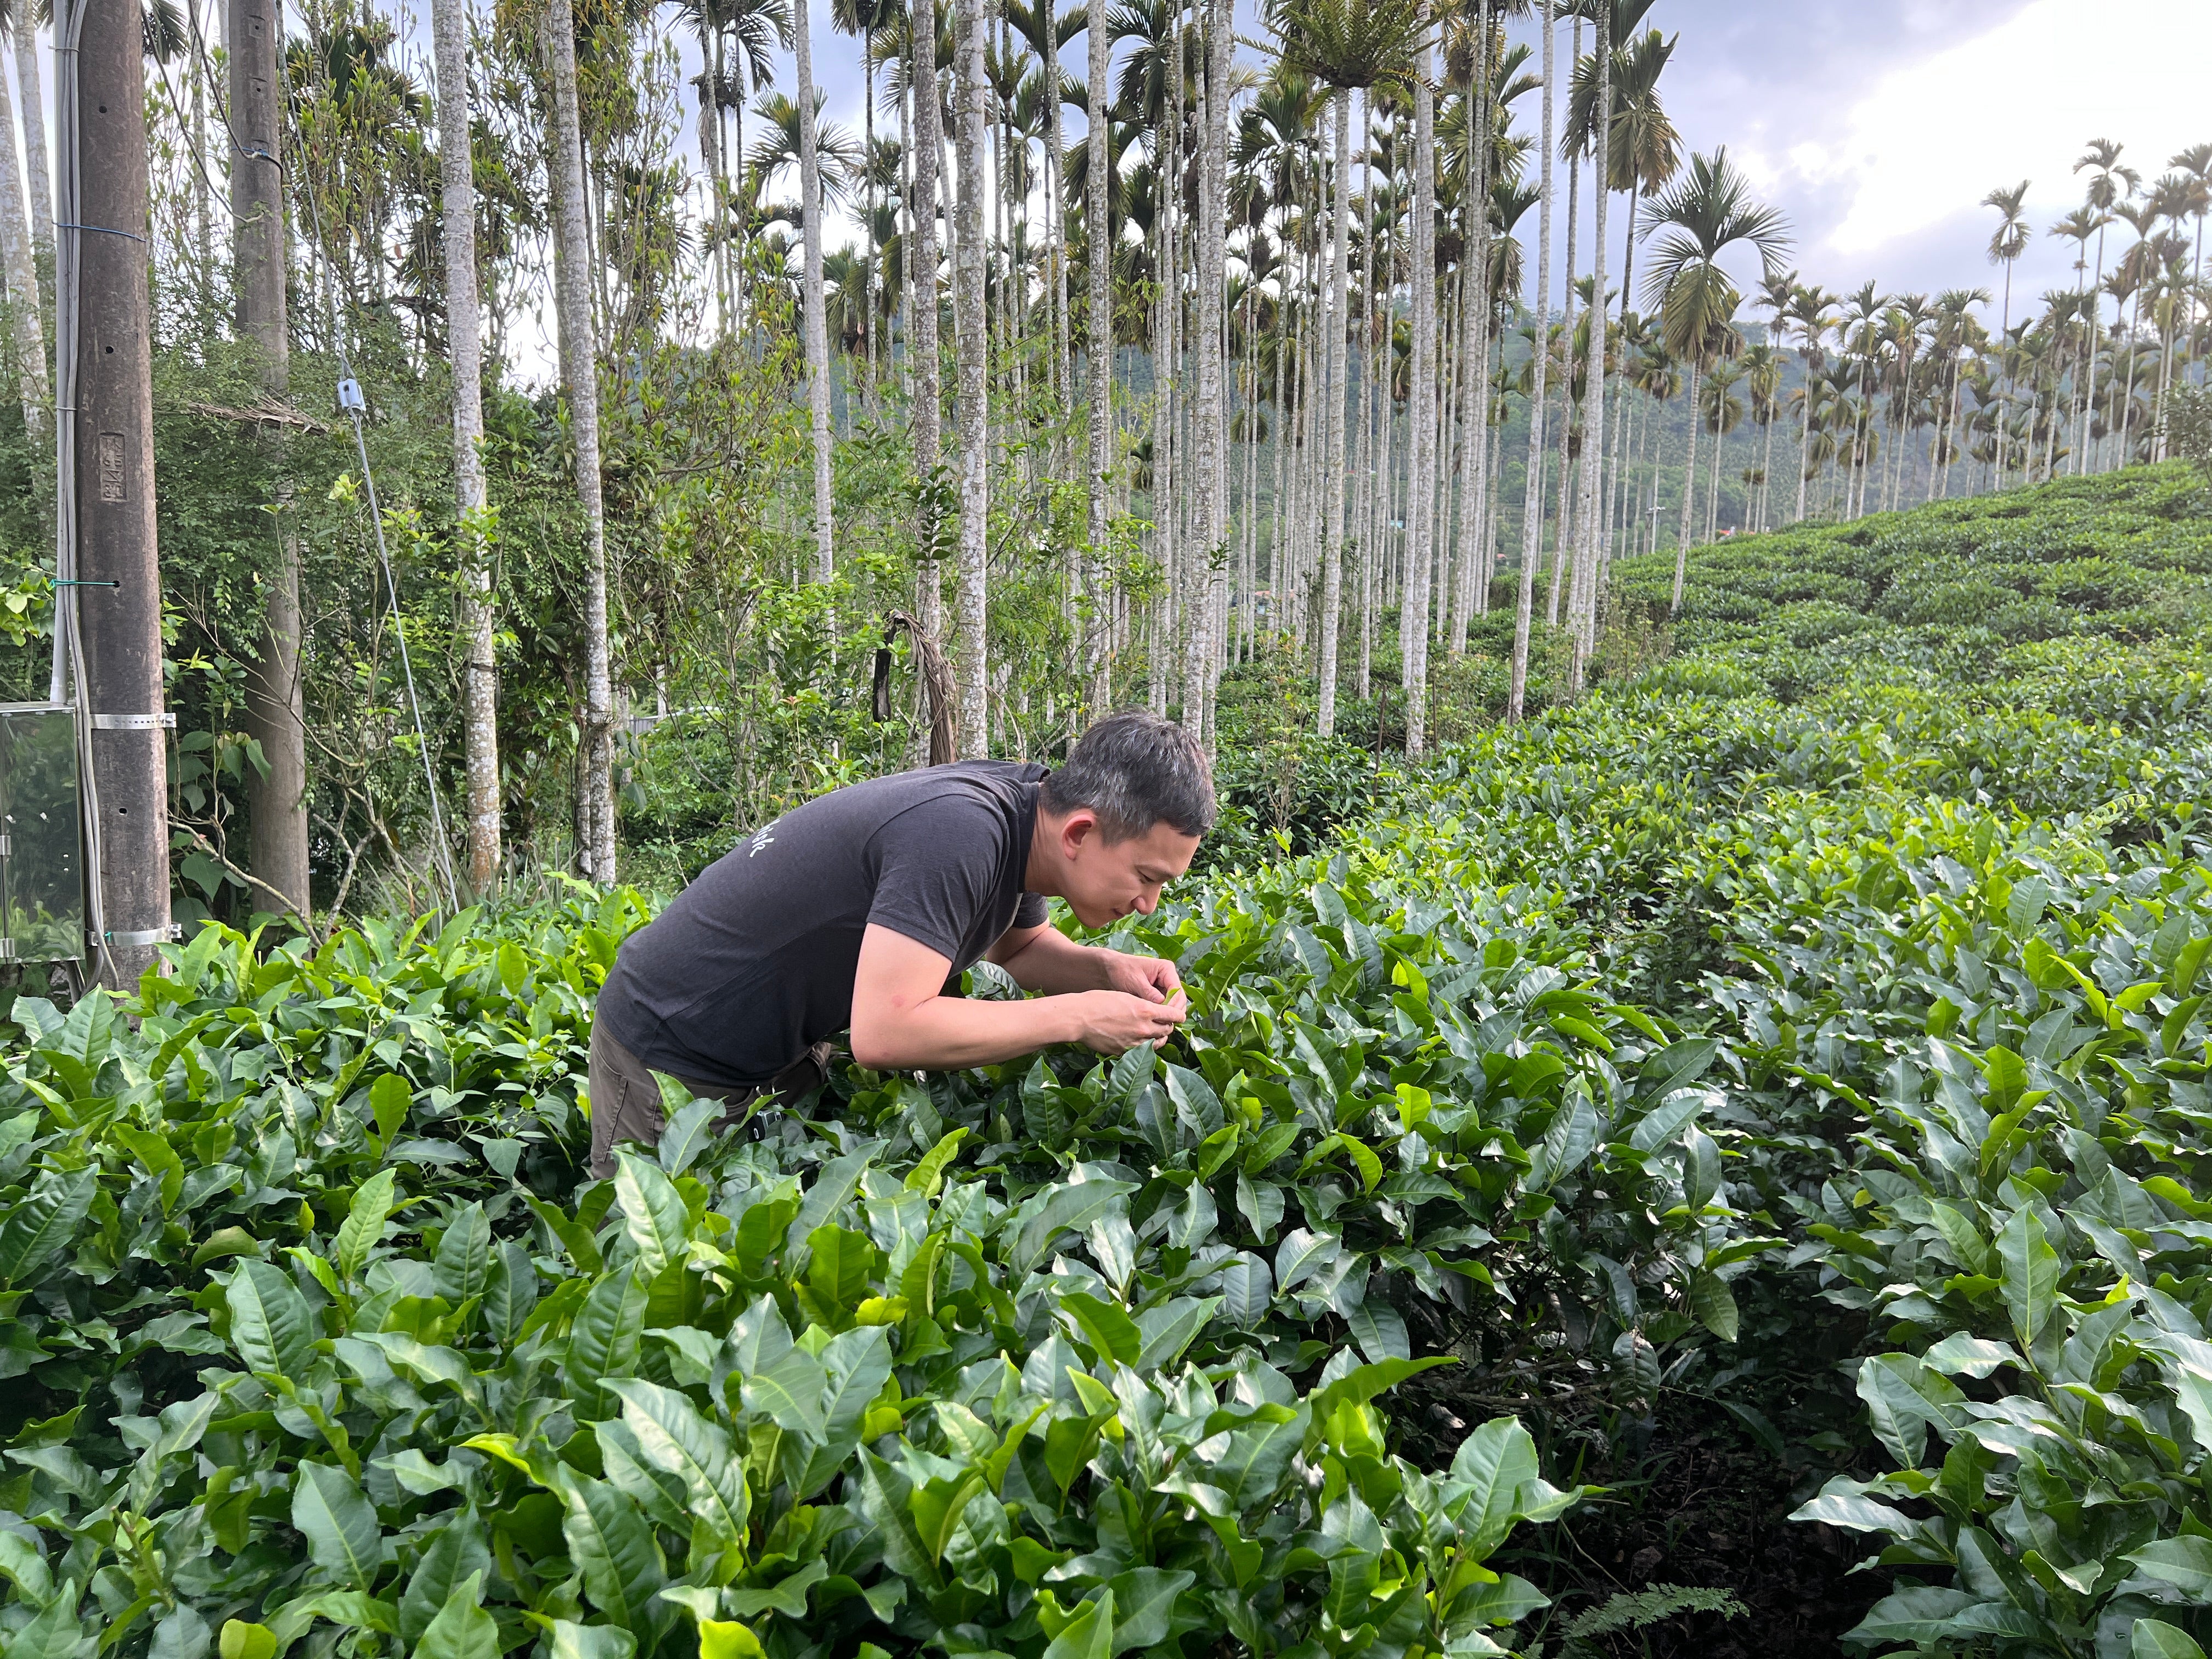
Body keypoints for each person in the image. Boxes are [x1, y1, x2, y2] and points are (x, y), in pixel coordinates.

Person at [586, 709, 1215, 1175]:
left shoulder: (1031, 815)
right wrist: (1078, 1017)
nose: (1148, 904)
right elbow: (887, 1032)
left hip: (778, 1051)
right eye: (1147, 877)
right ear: (1081, 831)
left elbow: (1018, 949)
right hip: (670, 1055)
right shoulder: (961, 833)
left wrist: (1105, 973)